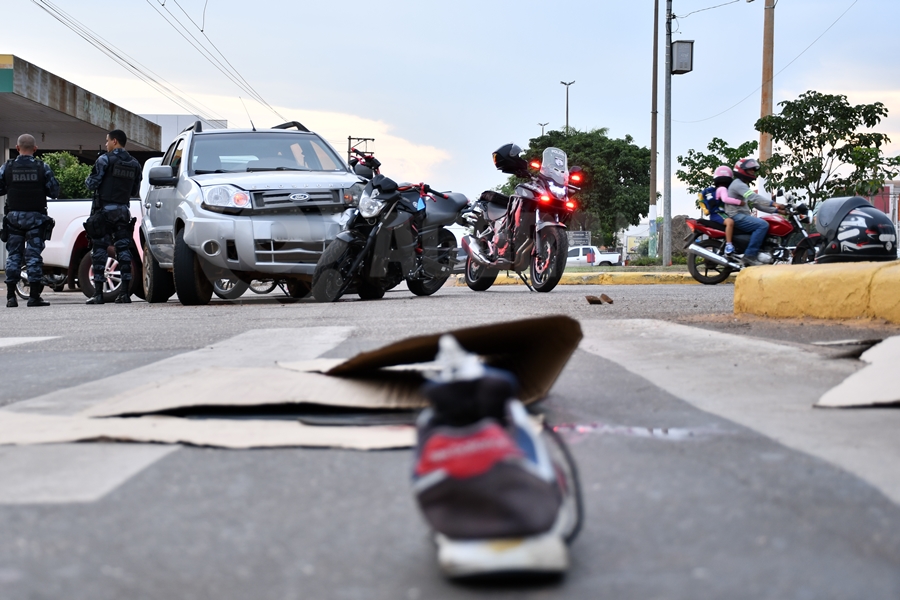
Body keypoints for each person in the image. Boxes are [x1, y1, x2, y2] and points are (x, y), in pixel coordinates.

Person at [0, 134, 60, 307]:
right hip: (36, 218)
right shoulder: (43, 167)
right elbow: (54, 191)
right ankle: (34, 297)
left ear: (17, 148)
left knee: (14, 256)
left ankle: (11, 297)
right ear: (35, 149)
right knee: (33, 257)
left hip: (14, 218)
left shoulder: (7, 167)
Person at [84, 129, 142, 305]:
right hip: (123, 212)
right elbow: (134, 191)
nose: (106, 144)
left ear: (115, 141)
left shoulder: (104, 160)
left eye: (107, 141)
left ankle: (99, 294)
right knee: (124, 251)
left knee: (100, 251)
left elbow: (91, 184)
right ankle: (124, 293)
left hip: (104, 212)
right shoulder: (135, 164)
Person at [725, 158, 783, 266]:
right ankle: (750, 255)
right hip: (736, 216)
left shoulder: (742, 185)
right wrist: (773, 203)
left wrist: (777, 210)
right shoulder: (739, 185)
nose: (752, 172)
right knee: (762, 225)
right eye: (750, 170)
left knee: (765, 223)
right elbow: (753, 197)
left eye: (753, 170)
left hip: (741, 215)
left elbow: (757, 205)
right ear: (742, 170)